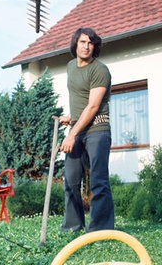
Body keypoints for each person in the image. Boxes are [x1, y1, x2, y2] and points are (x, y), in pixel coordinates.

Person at [59, 27, 115, 233]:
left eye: (91, 43)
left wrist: (72, 134)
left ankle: (101, 229)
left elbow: (92, 106)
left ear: (95, 46)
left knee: (98, 181)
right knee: (71, 179)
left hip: (97, 129)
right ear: (75, 44)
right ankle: (73, 226)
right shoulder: (70, 67)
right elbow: (80, 100)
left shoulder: (100, 70)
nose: (86, 46)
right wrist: (72, 119)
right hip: (79, 127)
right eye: (83, 42)